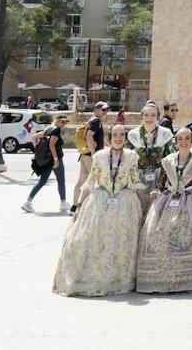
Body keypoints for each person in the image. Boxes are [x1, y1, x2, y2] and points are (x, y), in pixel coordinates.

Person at [52, 124, 143, 296]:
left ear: (125, 137)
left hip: (124, 202)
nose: (118, 138)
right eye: (115, 135)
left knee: (120, 241)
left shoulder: (132, 156)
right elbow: (91, 181)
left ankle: (117, 279)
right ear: (109, 138)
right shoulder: (99, 156)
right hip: (100, 201)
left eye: (121, 135)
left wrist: (142, 205)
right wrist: (78, 205)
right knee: (90, 238)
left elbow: (135, 180)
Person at [136, 126, 192, 293]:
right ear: (176, 142)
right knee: (159, 234)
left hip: (190, 202)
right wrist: (150, 209)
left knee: (185, 235)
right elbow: (159, 186)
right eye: (180, 139)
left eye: (187, 139)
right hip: (167, 200)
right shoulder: (167, 161)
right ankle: (161, 277)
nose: (183, 142)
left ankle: (185, 279)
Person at [129, 102, 176, 200]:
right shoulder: (133, 134)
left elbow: (173, 157)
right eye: (146, 115)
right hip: (139, 178)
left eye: (153, 115)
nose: (149, 118)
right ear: (142, 117)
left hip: (159, 179)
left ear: (158, 117)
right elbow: (124, 155)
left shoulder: (165, 134)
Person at [23, 115, 69, 213]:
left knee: (42, 181)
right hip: (54, 160)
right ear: (57, 120)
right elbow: (52, 145)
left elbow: (34, 137)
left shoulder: (49, 129)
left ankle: (27, 202)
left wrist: (38, 152)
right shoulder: (56, 130)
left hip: (47, 161)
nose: (64, 124)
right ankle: (63, 203)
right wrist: (56, 159)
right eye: (63, 121)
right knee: (61, 180)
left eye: (66, 122)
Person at [71, 102, 109, 214]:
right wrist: (94, 154)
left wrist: (110, 146)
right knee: (94, 181)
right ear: (96, 110)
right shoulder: (96, 121)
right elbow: (89, 137)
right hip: (90, 156)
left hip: (84, 155)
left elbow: (98, 139)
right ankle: (82, 206)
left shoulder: (92, 120)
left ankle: (74, 206)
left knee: (81, 181)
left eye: (106, 110)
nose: (105, 112)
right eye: (103, 110)